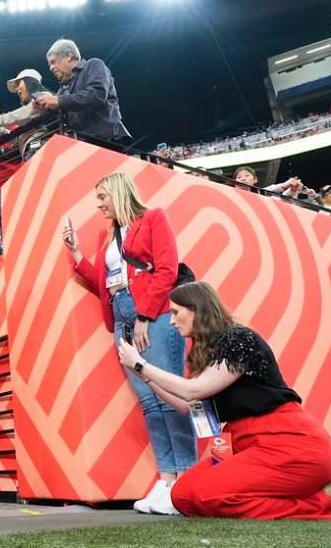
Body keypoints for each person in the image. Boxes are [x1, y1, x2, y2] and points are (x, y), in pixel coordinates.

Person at [117, 282, 331, 520]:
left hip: (290, 443)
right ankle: (313, 496)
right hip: (245, 444)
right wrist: (145, 377)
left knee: (207, 495)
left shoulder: (238, 339)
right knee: (181, 495)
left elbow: (192, 391)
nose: (172, 320)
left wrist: (141, 365)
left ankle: (322, 503)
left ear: (197, 309)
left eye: (176, 312)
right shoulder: (208, 351)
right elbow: (186, 405)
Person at [62, 172, 195, 514]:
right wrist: (76, 252)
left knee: (169, 397)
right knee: (150, 402)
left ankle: (186, 480)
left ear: (118, 193)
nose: (99, 204)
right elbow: (103, 282)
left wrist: (145, 316)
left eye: (102, 197)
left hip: (153, 314)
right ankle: (167, 479)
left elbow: (166, 270)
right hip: (121, 318)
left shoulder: (153, 218)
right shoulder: (105, 235)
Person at [33, 39, 131, 144]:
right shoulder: (62, 90)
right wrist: (45, 109)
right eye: (49, 65)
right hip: (79, 145)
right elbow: (62, 119)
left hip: (105, 142)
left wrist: (58, 101)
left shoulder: (93, 65)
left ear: (68, 56)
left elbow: (97, 94)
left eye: (53, 62)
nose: (51, 68)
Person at [0, 68, 53, 160]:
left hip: (41, 148)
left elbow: (23, 113)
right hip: (32, 151)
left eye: (18, 84)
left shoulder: (43, 95)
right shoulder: (30, 113)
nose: (17, 89)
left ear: (29, 82)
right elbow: (18, 139)